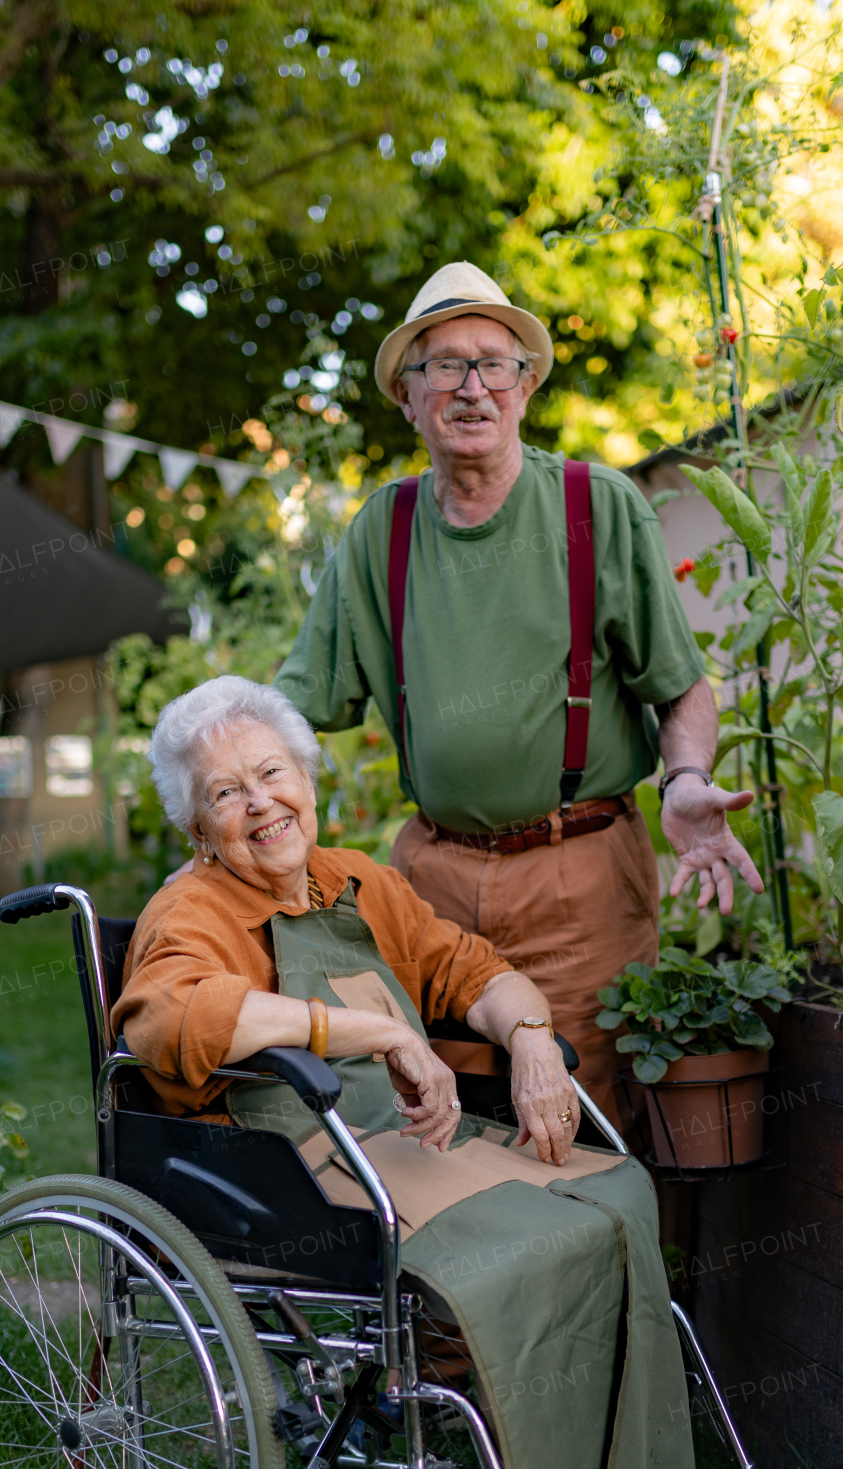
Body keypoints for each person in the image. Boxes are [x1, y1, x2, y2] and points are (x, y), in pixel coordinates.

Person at [112, 675, 789, 1469]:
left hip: (415, 1147)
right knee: (525, 1259)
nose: (257, 806)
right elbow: (165, 1025)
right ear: (197, 827)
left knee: (616, 1200)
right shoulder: (191, 911)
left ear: (307, 779)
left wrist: (525, 1041)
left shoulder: (353, 885)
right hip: (307, 1185)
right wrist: (373, 1033)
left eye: (271, 775)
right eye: (223, 795)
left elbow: (471, 967)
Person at [275, 261, 765, 1122]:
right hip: (428, 886)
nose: (472, 388)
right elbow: (293, 707)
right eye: (444, 367)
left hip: (576, 884)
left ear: (526, 386)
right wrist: (219, 778)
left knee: (582, 1120)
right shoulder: (380, 533)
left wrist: (684, 782)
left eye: (493, 364)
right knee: (422, 1118)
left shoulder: (596, 507)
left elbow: (682, 691)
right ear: (408, 395)